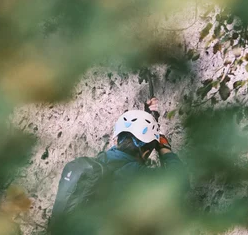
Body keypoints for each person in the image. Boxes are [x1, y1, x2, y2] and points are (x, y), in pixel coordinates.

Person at [48, 98, 184, 232]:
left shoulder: (101, 160)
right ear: (146, 153)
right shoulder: (136, 173)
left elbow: (135, 140)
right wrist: (163, 146)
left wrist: (148, 119)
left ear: (117, 140)